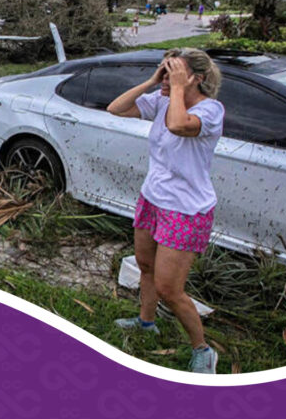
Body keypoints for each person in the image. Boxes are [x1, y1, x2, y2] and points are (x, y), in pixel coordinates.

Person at [106, 48, 225, 374]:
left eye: (174, 70)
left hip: (186, 210)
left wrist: (175, 89)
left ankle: (203, 350)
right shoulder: (162, 100)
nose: (167, 75)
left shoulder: (211, 110)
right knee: (145, 266)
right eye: (166, 69)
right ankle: (146, 322)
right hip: (153, 198)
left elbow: (177, 125)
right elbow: (116, 108)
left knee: (169, 289)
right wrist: (153, 80)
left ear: (196, 78)